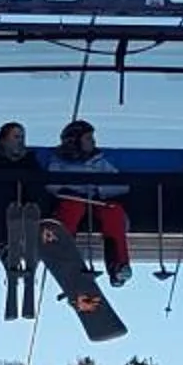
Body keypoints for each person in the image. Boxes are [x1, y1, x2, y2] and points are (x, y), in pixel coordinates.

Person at [44, 119, 134, 286]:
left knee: (114, 211)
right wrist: (70, 190)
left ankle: (118, 265)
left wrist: (100, 189)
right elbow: (52, 186)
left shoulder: (99, 161)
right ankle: (66, 256)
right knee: (72, 208)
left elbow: (122, 185)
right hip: (73, 200)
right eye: (88, 138)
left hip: (96, 202)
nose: (93, 142)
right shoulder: (59, 162)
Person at [0, 122, 44, 320]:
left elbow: (39, 181)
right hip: (5, 205)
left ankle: (32, 240)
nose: (20, 141)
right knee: (1, 196)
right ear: (4, 139)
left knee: (35, 198)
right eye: (16, 136)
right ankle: (6, 244)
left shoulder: (31, 160)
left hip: (28, 205)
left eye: (22, 137)